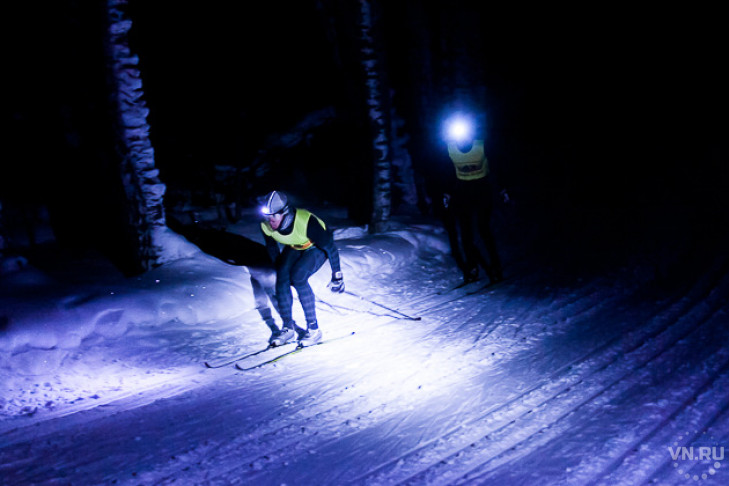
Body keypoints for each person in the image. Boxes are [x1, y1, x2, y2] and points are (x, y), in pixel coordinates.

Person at [258, 190, 344, 347]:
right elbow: (272, 248)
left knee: (298, 277)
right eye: (267, 217)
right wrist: (280, 271)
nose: (271, 222)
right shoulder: (266, 226)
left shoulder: (307, 221)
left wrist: (337, 276)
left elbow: (330, 248)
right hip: (295, 245)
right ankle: (287, 328)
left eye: (274, 217)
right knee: (282, 278)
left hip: (316, 246)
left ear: (285, 213)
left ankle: (314, 330)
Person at [442, 138, 504, 285]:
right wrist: (447, 192)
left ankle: (495, 266)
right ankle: (472, 267)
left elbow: (497, 165)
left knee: (483, 228)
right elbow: (446, 170)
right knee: (465, 232)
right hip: (463, 191)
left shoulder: (481, 145)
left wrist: (503, 188)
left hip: (482, 188)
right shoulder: (451, 147)